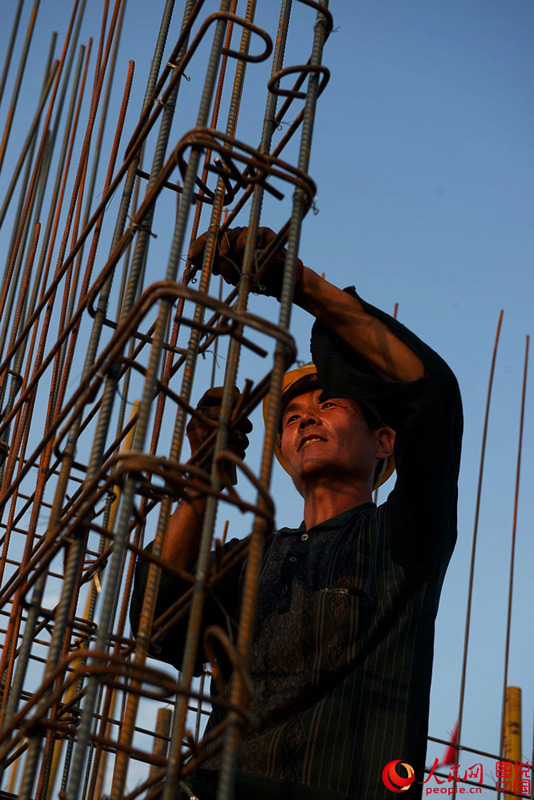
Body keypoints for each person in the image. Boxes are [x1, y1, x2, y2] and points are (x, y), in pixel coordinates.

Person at [130, 228, 463, 800]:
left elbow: (432, 398)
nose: (306, 418)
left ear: (384, 442)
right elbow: (156, 624)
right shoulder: (254, 561)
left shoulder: (403, 537)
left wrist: (300, 282)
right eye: (291, 417)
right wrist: (205, 470)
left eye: (328, 404)